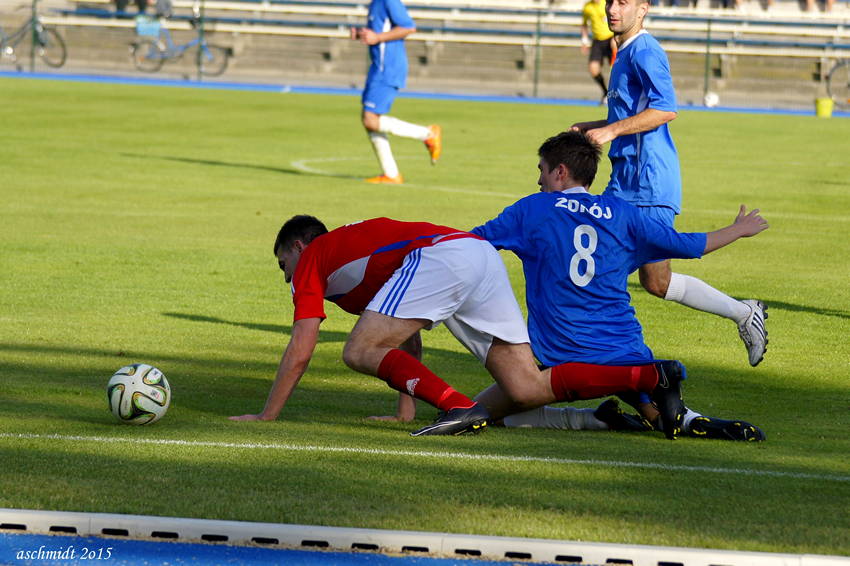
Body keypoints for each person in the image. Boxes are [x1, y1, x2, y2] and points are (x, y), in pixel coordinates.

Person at [229, 215, 688, 438]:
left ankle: (456, 409)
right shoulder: (352, 269)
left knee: (355, 350)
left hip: (444, 257)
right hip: (476, 255)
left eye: (281, 263)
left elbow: (301, 348)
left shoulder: (314, 258)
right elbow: (404, 338)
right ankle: (652, 375)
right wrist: (404, 409)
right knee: (525, 387)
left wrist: (267, 415)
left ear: (297, 245)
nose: (286, 274)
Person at [470, 130, 768, 441]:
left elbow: (470, 242)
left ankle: (589, 418)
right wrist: (738, 229)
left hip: (566, 355)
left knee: (474, 411)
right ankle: (683, 418)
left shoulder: (532, 209)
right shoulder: (623, 213)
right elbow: (689, 245)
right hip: (625, 351)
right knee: (660, 418)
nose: (539, 181)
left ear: (560, 172)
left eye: (542, 171)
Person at [570, 0, 768, 368]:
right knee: (656, 281)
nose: (613, 9)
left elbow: (665, 108)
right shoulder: (624, 52)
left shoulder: (645, 50)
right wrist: (594, 126)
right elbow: (630, 115)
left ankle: (585, 358)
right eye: (611, 1)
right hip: (628, 181)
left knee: (596, 268)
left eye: (624, 3)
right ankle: (744, 313)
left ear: (643, 8)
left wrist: (611, 130)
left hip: (646, 184)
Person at [350, 0, 442, 185]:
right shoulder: (375, 3)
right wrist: (362, 33)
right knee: (368, 119)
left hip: (388, 68)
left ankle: (427, 134)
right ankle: (391, 174)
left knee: (370, 119)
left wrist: (376, 38)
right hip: (378, 68)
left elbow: (408, 27)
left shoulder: (389, 1)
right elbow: (379, 32)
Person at [580, 0, 618, 104]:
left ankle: (616, 94)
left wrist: (616, 36)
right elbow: (584, 25)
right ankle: (606, 93)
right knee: (593, 69)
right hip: (597, 41)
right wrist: (584, 41)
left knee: (616, 68)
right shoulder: (587, 7)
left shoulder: (607, 3)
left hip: (611, 38)